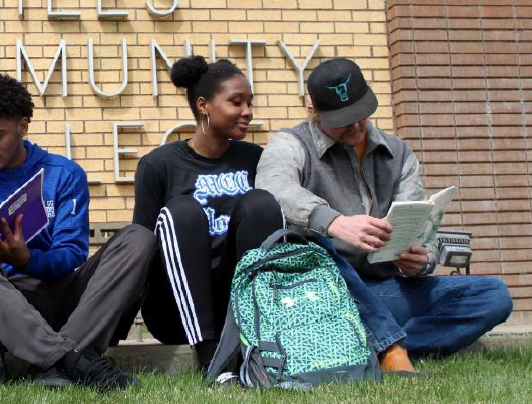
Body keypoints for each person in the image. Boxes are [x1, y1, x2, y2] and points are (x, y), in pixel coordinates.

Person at [256, 57, 513, 359]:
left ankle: (377, 349)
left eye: (361, 114)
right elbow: (271, 190)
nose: (355, 126)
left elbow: (420, 226)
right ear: (313, 112)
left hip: (383, 289)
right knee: (321, 247)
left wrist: (420, 260)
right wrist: (334, 223)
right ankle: (387, 345)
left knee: (493, 295)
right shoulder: (290, 144)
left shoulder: (398, 152)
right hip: (323, 294)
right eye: (342, 120)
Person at [0, 74, 156, 391]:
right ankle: (74, 360)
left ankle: (58, 355)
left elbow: (71, 254)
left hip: (66, 298)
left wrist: (27, 258)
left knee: (138, 238)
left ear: (23, 126)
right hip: (7, 308)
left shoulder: (63, 174)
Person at [132, 56, 288, 371]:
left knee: (261, 203)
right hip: (176, 311)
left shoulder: (255, 159)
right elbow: (140, 246)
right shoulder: (159, 165)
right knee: (183, 211)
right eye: (236, 102)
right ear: (204, 105)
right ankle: (210, 359)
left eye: (249, 102)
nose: (248, 111)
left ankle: (260, 341)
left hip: (236, 304)